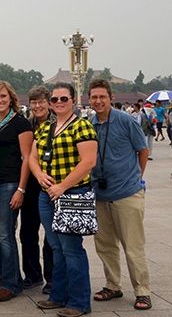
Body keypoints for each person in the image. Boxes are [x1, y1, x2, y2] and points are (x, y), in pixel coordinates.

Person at [29, 82, 97, 317]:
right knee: (56, 247)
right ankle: (58, 295)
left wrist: (62, 186)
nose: (58, 103)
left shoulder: (82, 126)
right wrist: (38, 175)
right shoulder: (46, 127)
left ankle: (79, 301)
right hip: (46, 195)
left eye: (63, 99)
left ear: (73, 100)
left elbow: (88, 162)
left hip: (72, 195)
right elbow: (32, 157)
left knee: (71, 248)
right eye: (54, 100)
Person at [88, 79, 153, 311]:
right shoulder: (89, 123)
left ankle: (142, 291)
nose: (98, 101)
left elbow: (142, 150)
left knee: (133, 245)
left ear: (110, 97)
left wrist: (136, 177)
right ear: (89, 99)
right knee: (105, 244)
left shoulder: (125, 120)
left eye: (102, 97)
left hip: (126, 192)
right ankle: (112, 284)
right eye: (94, 97)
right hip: (100, 193)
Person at [0, 80, 32, 302]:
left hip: (10, 183)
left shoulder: (20, 123)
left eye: (3, 96)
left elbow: (27, 158)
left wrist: (21, 189)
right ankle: (10, 276)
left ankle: (11, 284)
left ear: (11, 98)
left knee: (5, 234)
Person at [23, 86, 54, 294]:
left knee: (51, 236)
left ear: (49, 103)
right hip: (31, 183)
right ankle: (32, 275)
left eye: (41, 102)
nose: (37, 106)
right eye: (34, 102)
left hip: (52, 183)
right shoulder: (28, 124)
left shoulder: (57, 123)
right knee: (27, 231)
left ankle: (52, 278)